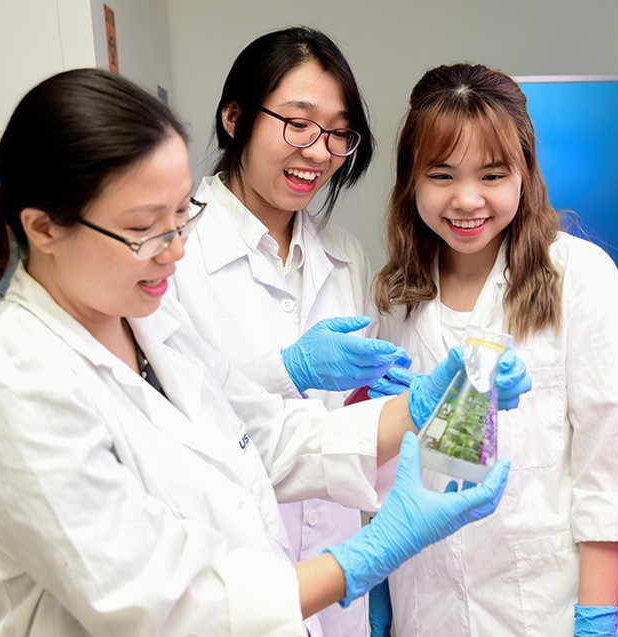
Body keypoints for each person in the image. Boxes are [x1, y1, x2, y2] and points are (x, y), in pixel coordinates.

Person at [0, 67, 532, 637]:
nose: (176, 250)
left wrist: (417, 408)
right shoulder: (17, 384)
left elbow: (259, 434)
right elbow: (166, 604)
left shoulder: (146, 321)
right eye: (144, 228)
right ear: (44, 228)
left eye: (180, 215)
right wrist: (368, 556)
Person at [371, 62, 618, 636]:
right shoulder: (393, 295)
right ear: (411, 179)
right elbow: (379, 472)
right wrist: (377, 592)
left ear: (524, 173)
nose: (467, 199)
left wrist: (595, 619)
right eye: (442, 174)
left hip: (550, 610)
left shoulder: (578, 276)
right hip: (426, 608)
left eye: (493, 174)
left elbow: (611, 471)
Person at [168, 26, 411, 635]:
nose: (319, 151)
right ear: (234, 118)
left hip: (338, 580)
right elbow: (177, 422)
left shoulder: (346, 256)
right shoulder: (172, 252)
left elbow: (342, 429)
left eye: (337, 132)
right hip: (228, 582)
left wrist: (372, 402)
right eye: (298, 123)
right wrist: (289, 370)